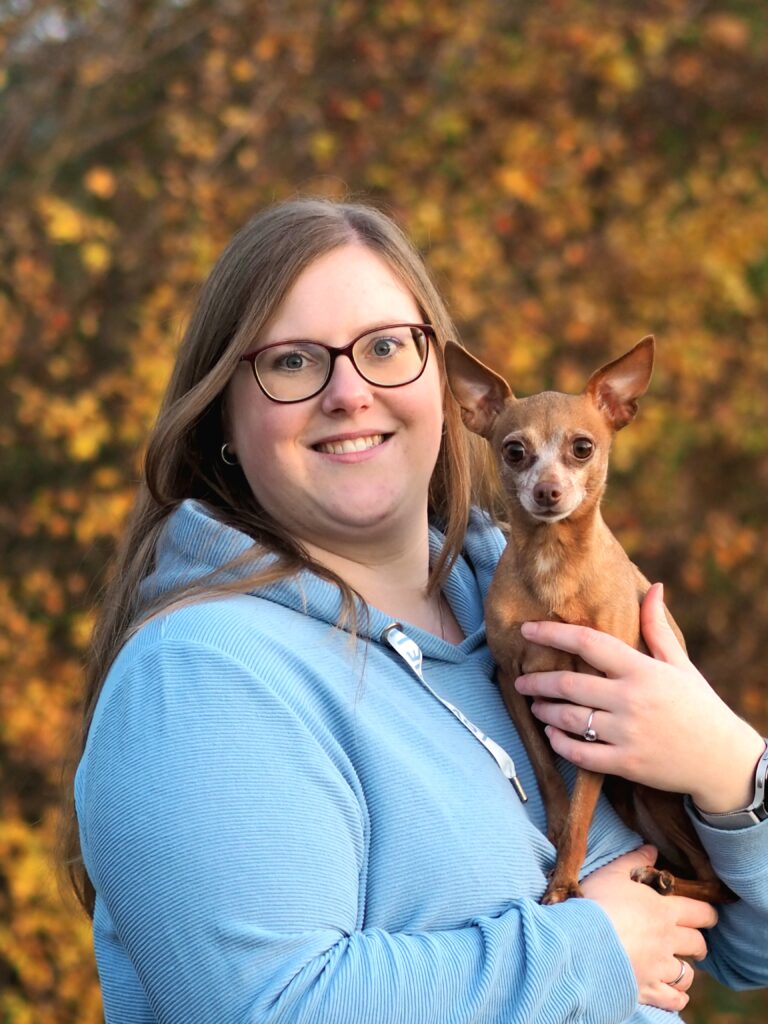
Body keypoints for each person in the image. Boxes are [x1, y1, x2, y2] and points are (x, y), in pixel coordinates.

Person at [68, 197, 768, 1023]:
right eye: (293, 361)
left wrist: (733, 774)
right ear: (224, 409)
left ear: (444, 387)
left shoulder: (520, 607)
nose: (349, 392)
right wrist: (596, 947)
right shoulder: (197, 678)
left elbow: (743, 949)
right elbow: (274, 1008)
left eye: (386, 348)